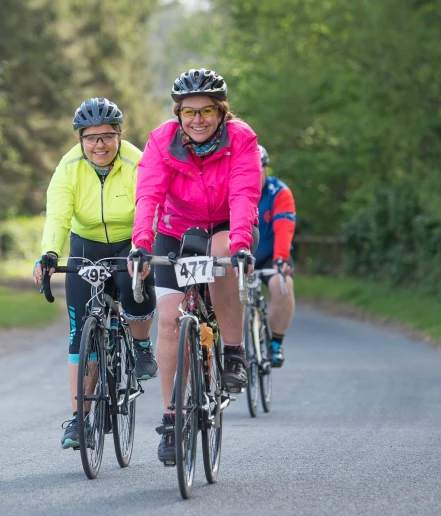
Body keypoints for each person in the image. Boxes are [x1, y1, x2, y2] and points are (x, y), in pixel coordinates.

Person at [128, 68, 261, 465]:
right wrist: (140, 245)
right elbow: (148, 194)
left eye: (206, 111)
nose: (198, 120)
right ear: (178, 113)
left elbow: (243, 192)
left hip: (223, 225)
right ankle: (171, 417)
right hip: (177, 229)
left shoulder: (241, 139)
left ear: (221, 112)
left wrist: (240, 245)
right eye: (189, 112)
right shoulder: (161, 140)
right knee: (169, 322)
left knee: (223, 263)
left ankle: (234, 353)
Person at [33, 98, 157, 449]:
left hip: (129, 240)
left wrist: (140, 246)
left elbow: (148, 205)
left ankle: (142, 343)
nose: (99, 145)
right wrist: (50, 253)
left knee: (131, 284)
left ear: (119, 136)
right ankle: (79, 419)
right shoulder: (68, 167)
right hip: (85, 243)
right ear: (80, 139)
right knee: (79, 335)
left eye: (107, 137)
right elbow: (57, 214)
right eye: (91, 138)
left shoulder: (138, 161)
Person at [254, 145, 296, 367]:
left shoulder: (279, 192)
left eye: (258, 169)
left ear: (265, 169)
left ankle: (275, 344)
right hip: (236, 254)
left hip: (269, 255)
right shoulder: (230, 188)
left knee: (283, 283)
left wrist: (281, 258)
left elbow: (284, 229)